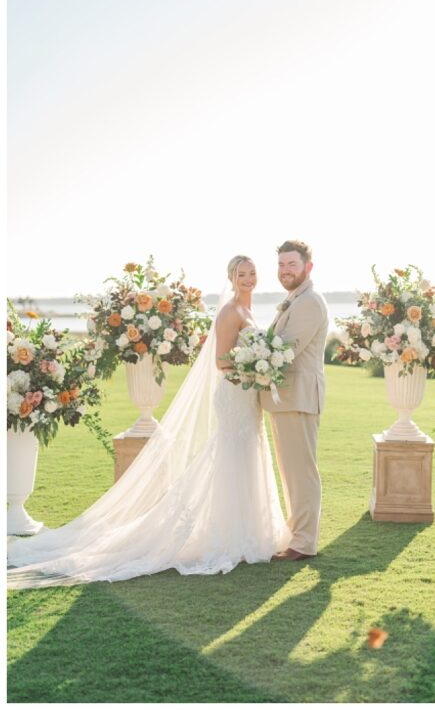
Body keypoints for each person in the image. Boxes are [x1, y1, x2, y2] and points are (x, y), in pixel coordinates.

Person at [7, 256, 291, 587]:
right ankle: (230, 535)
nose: (249, 278)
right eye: (242, 274)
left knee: (244, 458)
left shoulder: (249, 310)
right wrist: (254, 365)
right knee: (231, 457)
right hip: (233, 395)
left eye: (252, 273)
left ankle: (247, 530)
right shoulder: (230, 312)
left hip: (247, 398)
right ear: (231, 278)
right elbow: (220, 361)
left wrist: (261, 366)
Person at [260, 240, 329, 562]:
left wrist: (248, 362)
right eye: (281, 265)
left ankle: (303, 544)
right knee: (291, 472)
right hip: (285, 398)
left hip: (298, 396)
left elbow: (285, 350)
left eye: (292, 265)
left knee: (301, 472)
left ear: (307, 267)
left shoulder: (310, 302)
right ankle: (296, 536)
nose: (285, 271)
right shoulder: (294, 300)